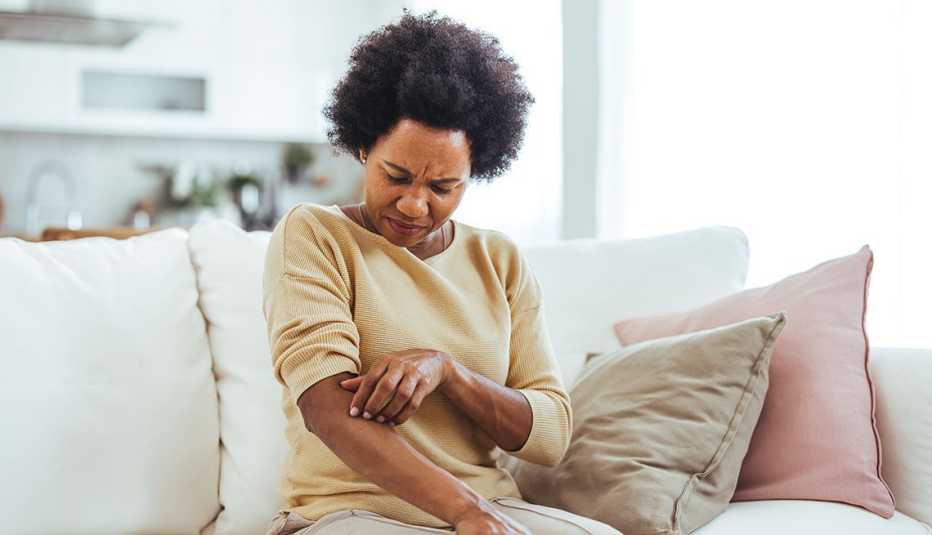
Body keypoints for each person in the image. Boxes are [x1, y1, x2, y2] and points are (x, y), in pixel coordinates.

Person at [261, 9, 622, 535]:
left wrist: (446, 371)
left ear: (475, 173)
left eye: (442, 187)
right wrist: (464, 511)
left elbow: (549, 434)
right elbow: (326, 409)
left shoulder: (499, 260)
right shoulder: (316, 235)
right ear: (363, 147)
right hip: (353, 513)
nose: (413, 205)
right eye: (397, 176)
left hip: (491, 511)